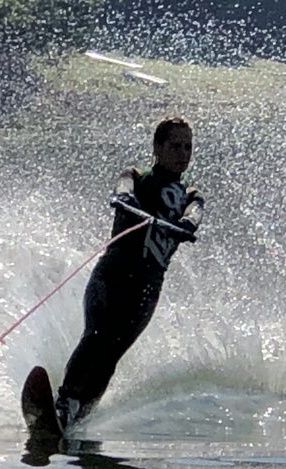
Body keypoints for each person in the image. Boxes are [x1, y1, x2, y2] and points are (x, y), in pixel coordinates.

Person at [54, 116, 204, 430]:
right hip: (114, 274)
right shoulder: (135, 175)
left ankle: (83, 414)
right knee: (96, 337)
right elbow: (122, 186)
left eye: (188, 146)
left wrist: (188, 224)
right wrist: (124, 198)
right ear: (157, 147)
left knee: (112, 354)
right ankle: (65, 401)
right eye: (175, 146)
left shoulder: (191, 194)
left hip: (147, 287)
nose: (183, 153)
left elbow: (195, 213)